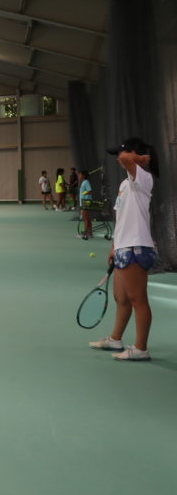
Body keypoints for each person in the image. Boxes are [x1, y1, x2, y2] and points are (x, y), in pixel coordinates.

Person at [89, 138, 159, 361]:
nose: (118, 159)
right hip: (123, 247)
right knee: (121, 298)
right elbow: (122, 218)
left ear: (135, 154)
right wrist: (114, 246)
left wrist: (141, 158)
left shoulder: (143, 178)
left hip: (136, 247)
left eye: (122, 154)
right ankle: (115, 339)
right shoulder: (124, 184)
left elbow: (127, 158)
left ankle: (141, 349)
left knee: (138, 300)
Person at [77, 170, 93, 240]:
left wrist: (83, 193)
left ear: (83, 175)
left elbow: (90, 191)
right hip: (85, 202)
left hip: (86, 202)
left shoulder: (86, 182)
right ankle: (90, 233)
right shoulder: (84, 182)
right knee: (87, 218)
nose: (79, 176)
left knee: (85, 218)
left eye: (80, 174)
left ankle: (86, 233)